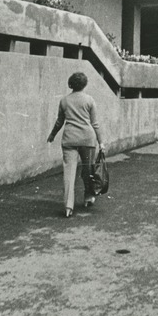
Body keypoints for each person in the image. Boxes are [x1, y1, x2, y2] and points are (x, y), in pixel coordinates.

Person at [47, 72, 105, 217]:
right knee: (88, 170)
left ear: (71, 83)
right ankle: (88, 197)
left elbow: (59, 122)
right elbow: (95, 124)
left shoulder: (64, 101)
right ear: (84, 84)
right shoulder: (89, 100)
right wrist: (101, 142)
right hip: (87, 139)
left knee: (69, 173)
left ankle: (68, 207)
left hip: (69, 139)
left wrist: (52, 135)